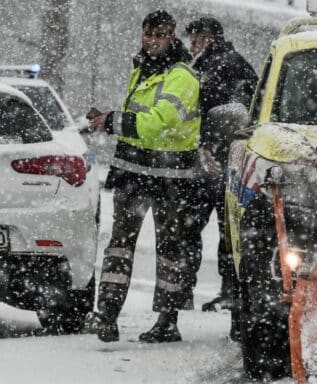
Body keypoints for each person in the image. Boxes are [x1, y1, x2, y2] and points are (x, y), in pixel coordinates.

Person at [84, 10, 201, 343]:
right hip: (134, 173)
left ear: (172, 36)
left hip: (170, 178)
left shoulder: (183, 76)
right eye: (148, 34)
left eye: (160, 35)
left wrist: (112, 121)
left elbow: (156, 124)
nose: (153, 40)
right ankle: (107, 313)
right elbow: (141, 120)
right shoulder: (141, 68)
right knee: (119, 246)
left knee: (169, 250)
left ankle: (168, 320)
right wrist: (111, 121)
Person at [185, 17, 258, 311]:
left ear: (210, 39)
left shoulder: (226, 65)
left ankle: (227, 291)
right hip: (207, 162)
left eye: (196, 38)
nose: (191, 44)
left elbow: (238, 113)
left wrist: (213, 145)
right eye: (190, 39)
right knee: (206, 229)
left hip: (220, 163)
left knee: (223, 230)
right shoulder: (200, 66)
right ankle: (207, 290)